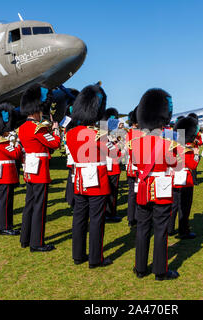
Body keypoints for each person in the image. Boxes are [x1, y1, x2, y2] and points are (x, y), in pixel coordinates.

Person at [66, 83, 117, 268]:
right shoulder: (98, 134)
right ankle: (96, 258)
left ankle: (78, 255)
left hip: (79, 180)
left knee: (79, 218)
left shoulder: (71, 133)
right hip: (98, 180)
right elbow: (116, 154)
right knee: (96, 220)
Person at [131, 88, 179, 281]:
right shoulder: (169, 143)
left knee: (142, 228)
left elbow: (134, 165)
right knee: (160, 229)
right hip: (161, 188)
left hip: (143, 187)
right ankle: (160, 271)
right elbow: (176, 164)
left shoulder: (136, 142)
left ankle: (140, 268)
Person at [18, 84, 61, 252]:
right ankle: (37, 242)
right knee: (39, 207)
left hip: (29, 169)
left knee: (29, 204)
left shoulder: (23, 128)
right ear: (37, 109)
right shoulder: (38, 128)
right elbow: (55, 143)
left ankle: (25, 238)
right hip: (40, 170)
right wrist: (56, 130)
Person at [0, 103, 23, 236]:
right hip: (6, 173)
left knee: (0, 199)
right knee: (6, 201)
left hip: (2, 172)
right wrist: (18, 143)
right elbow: (15, 154)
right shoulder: (1, 141)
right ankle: (5, 226)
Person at [168, 116, 199, 239]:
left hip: (173, 179)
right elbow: (193, 165)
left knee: (173, 206)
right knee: (184, 208)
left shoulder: (173, 146)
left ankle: (169, 229)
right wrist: (196, 155)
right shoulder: (188, 149)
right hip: (186, 181)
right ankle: (183, 231)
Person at [102, 108, 123, 223]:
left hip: (107, 166)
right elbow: (114, 152)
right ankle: (110, 214)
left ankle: (108, 212)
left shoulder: (106, 135)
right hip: (112, 167)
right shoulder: (107, 137)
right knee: (112, 193)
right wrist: (119, 145)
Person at [125, 107, 142, 227]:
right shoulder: (142, 133)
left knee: (132, 193)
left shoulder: (128, 134)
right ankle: (137, 216)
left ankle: (131, 218)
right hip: (139, 167)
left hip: (130, 167)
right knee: (139, 193)